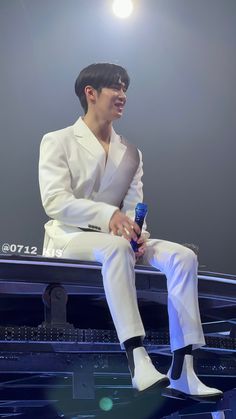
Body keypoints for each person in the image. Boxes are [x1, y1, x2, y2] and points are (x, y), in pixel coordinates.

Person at [39, 63, 222, 401]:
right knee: (115, 249)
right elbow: (54, 201)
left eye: (125, 87)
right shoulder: (58, 141)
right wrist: (109, 216)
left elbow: (136, 207)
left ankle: (183, 368)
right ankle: (137, 358)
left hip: (117, 239)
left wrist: (139, 236)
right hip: (70, 237)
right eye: (115, 87)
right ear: (90, 93)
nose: (122, 94)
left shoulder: (132, 154)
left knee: (184, 257)